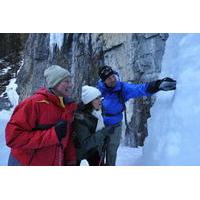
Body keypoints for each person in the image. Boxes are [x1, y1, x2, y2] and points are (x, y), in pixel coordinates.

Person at [97, 65, 176, 166]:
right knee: (98, 152)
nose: (112, 79)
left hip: (115, 126)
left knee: (112, 152)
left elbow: (140, 89)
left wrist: (158, 85)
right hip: (100, 125)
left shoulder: (122, 88)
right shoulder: (99, 90)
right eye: (109, 78)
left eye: (113, 76)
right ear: (104, 81)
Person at [5, 65, 77, 166]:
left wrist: (71, 160)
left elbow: (67, 138)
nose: (71, 85)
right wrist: (53, 134)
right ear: (54, 83)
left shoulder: (69, 106)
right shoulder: (34, 103)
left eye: (70, 81)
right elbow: (13, 137)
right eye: (66, 81)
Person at [73, 85, 111, 166]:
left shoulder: (94, 112)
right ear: (89, 101)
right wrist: (104, 133)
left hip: (92, 151)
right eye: (96, 98)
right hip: (80, 154)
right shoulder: (80, 118)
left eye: (100, 97)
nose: (100, 101)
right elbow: (85, 144)